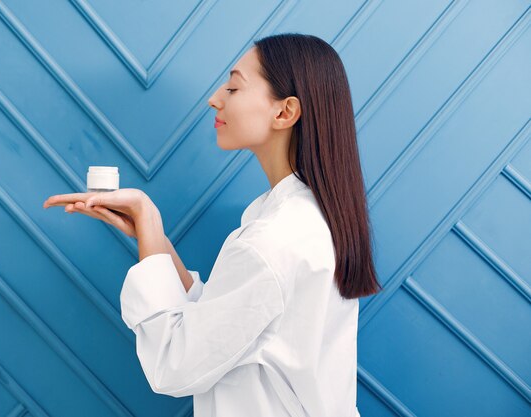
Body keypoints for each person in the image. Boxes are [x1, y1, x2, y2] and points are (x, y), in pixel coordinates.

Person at [43, 32, 381, 417]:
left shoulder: (271, 242)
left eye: (234, 87)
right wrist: (149, 234)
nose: (215, 98)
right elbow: (225, 322)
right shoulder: (304, 219)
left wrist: (149, 217)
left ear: (284, 112)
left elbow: (174, 364)